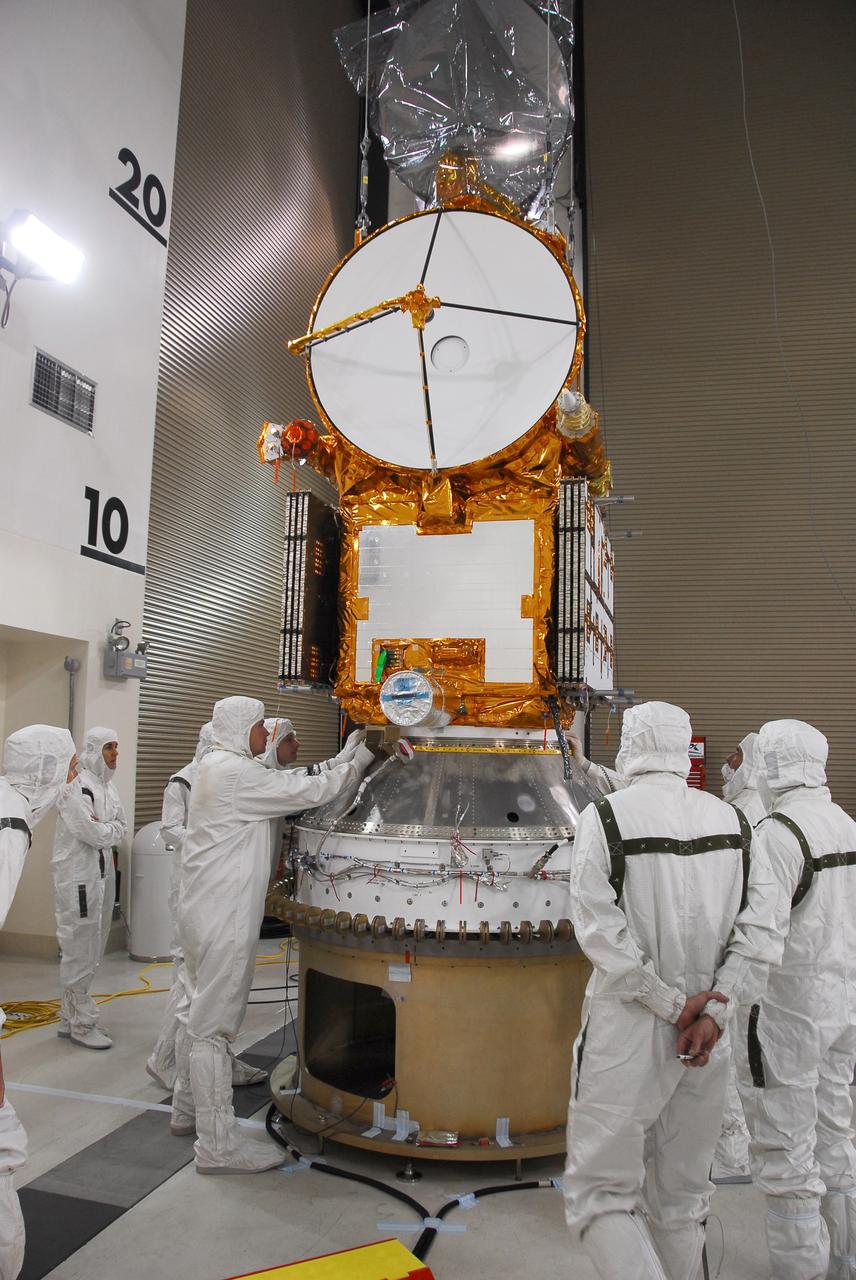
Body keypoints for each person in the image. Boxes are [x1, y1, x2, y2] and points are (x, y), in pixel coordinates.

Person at [563, 701, 782, 1280]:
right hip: (707, 1041)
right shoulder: (734, 822)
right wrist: (713, 1009)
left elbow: (597, 929)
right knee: (683, 1200)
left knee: (599, 1195)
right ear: (683, 747)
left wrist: (667, 1003)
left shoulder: (607, 819)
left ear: (631, 745)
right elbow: (759, 926)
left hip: (627, 1034)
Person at [171, 696, 375, 1174]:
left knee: (196, 1011)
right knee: (214, 1026)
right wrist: (360, 760)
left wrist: (347, 752)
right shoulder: (234, 774)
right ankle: (217, 1146)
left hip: (203, 907)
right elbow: (310, 792)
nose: (268, 734)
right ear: (241, 729)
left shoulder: (218, 766)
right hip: (224, 912)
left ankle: (185, 1110)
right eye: (262, 727)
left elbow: (289, 781)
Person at [735, 719, 856, 1280]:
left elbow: (760, 937)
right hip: (844, 1005)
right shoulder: (845, 824)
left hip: (788, 1012)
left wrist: (721, 1005)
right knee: (837, 1130)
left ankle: (801, 1270)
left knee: (785, 1148)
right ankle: (846, 1260)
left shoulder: (777, 835)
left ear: (773, 765)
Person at [145, 722, 273, 1090]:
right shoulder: (184, 780)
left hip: (215, 883)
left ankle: (204, 1065)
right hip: (192, 883)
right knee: (191, 982)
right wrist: (211, 841)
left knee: (206, 990)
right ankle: (167, 1060)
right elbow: (171, 829)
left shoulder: (227, 776)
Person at [1, 724, 78, 1280]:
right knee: (3, 1151)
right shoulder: (9, 825)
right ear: (50, 771)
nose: (74, 777)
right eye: (70, 767)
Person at [713, 731, 773, 1181]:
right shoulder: (758, 808)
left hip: (746, 953)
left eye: (735, 757)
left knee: (733, 1058)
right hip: (761, 953)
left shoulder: (747, 813)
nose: (726, 766)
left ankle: (734, 1155)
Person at [52, 727, 127, 1050]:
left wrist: (106, 827)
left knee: (93, 945)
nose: (114, 754)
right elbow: (91, 833)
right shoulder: (76, 787)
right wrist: (107, 829)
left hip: (101, 874)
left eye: (116, 748)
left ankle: (70, 1015)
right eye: (109, 748)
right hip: (79, 877)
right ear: (94, 751)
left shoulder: (108, 789)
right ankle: (81, 1022)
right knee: (79, 945)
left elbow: (119, 829)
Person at [721, 731, 772, 827]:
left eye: (738, 753)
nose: (729, 757)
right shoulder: (763, 796)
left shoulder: (745, 808)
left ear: (753, 763)